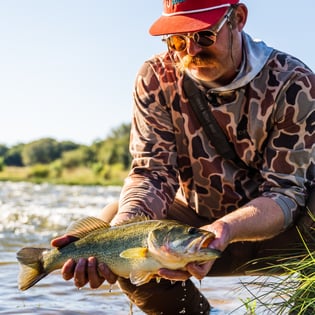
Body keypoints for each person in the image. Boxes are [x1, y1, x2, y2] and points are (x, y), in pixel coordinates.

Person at [52, 1, 315, 314]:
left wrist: (227, 228)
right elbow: (151, 173)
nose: (190, 50)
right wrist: (120, 234)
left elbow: (285, 193)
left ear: (238, 19)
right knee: (114, 218)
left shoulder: (293, 82)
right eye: (177, 40)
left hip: (283, 233)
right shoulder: (155, 77)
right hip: (186, 237)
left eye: (203, 36)